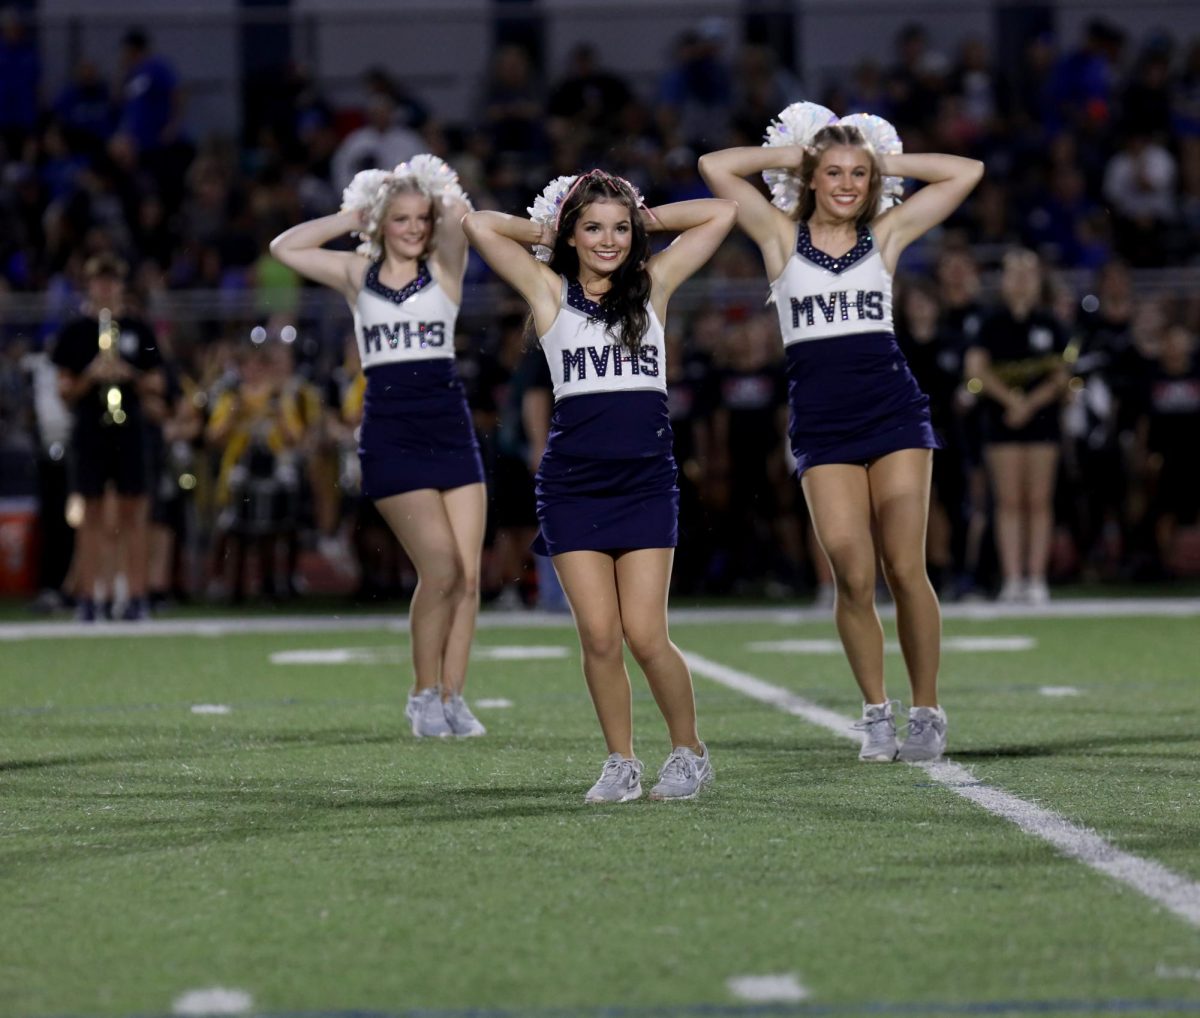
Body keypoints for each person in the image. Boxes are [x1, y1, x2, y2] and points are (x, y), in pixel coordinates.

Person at [699, 105, 983, 763]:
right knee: (851, 572)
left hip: (894, 414)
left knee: (904, 565)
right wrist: (792, 156)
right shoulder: (778, 237)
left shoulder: (884, 235)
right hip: (823, 425)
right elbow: (715, 167)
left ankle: (927, 709)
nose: (848, 183)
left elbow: (966, 171)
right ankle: (876, 712)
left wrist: (885, 159)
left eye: (859, 173)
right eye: (834, 172)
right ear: (812, 178)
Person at [463, 171, 736, 801]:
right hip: (572, 485)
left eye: (619, 228)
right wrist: (548, 227)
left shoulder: (654, 285)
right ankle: (621, 760)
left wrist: (645, 219)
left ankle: (689, 750)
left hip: (645, 481)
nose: (609, 240)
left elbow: (721, 212)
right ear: (572, 233)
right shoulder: (548, 290)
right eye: (593, 228)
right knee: (597, 635)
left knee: (645, 634)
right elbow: (477, 224)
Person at [270, 156, 488, 739]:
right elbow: (285, 247)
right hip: (392, 433)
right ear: (380, 222)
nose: (415, 228)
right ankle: (422, 694)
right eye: (401, 219)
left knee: (468, 575)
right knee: (439, 566)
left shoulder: (445, 266)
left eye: (422, 218)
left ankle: (453, 695)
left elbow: (464, 218)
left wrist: (438, 193)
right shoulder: (356, 273)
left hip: (450, 427)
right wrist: (352, 212)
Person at [50, 254, 166, 621]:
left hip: (130, 429)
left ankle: (135, 596)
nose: (106, 289)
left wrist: (126, 373)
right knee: (91, 515)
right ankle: (89, 597)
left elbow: (158, 382)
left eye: (112, 281)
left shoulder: (137, 328)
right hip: (90, 429)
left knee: (134, 513)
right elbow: (64, 390)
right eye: (99, 282)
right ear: (89, 286)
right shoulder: (75, 332)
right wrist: (92, 376)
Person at [965, 248, 1070, 605]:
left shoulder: (1051, 322)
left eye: (1029, 273)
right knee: (1008, 502)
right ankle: (1012, 579)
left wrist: (1030, 404)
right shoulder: (989, 322)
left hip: (1042, 421)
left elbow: (1061, 375)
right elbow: (976, 370)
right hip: (1001, 421)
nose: (1023, 280)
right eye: (1015, 273)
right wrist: (1012, 402)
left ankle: (1037, 578)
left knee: (1039, 501)